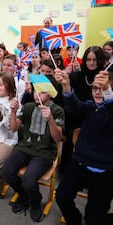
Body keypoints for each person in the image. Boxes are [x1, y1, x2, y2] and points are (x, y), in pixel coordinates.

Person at [54, 69, 113, 225]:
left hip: (105, 171)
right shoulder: (89, 106)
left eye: (103, 89)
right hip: (80, 163)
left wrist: (107, 91)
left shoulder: (110, 109)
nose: (98, 92)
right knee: (61, 196)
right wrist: (66, 85)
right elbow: (74, 106)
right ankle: (75, 220)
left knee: (94, 217)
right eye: (95, 88)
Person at [2, 88, 64, 222]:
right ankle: (23, 195)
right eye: (36, 91)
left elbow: (58, 138)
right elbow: (13, 128)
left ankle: (35, 202)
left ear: (51, 94)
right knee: (6, 171)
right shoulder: (29, 106)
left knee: (29, 180)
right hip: (25, 148)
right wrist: (13, 111)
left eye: (42, 92)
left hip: (45, 152)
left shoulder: (57, 110)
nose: (37, 95)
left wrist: (51, 120)